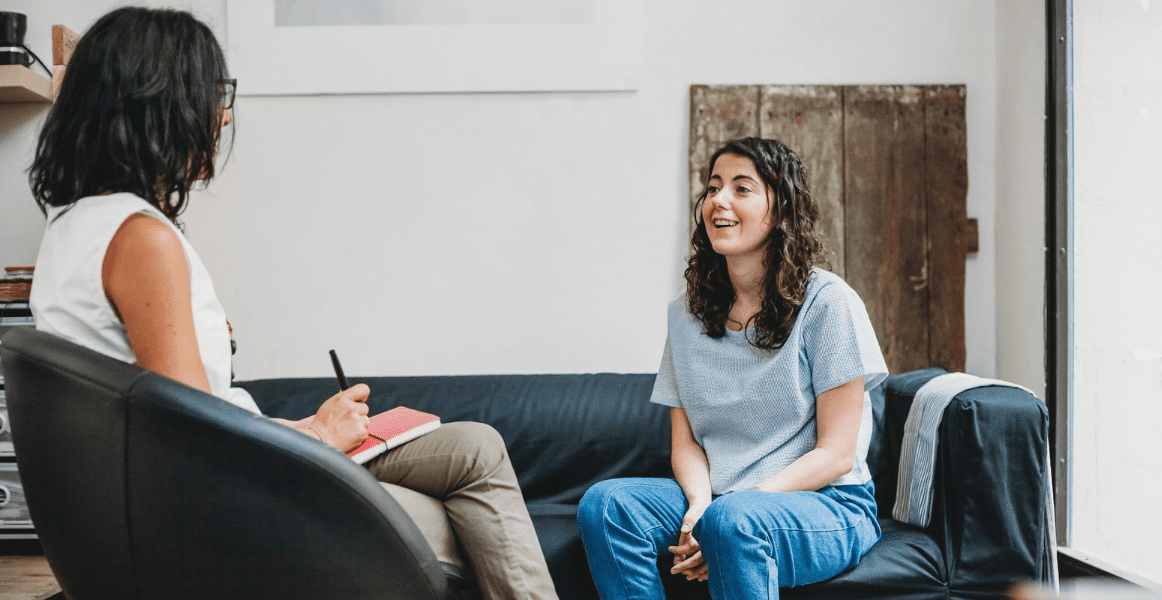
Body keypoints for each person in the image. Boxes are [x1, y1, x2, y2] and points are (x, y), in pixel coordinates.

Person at [26, 7, 557, 600]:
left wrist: (305, 425)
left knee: (475, 445)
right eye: (212, 94)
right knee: (457, 519)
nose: (222, 115)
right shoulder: (140, 238)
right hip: (224, 501)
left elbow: (186, 411)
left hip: (229, 473)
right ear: (160, 102)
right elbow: (190, 440)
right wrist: (323, 440)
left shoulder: (74, 226)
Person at [577, 137, 888, 600]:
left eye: (742, 188)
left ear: (780, 209)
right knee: (606, 505)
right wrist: (701, 506)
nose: (718, 200)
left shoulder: (828, 302)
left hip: (828, 504)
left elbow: (838, 453)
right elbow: (684, 442)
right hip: (724, 500)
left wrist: (735, 510)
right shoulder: (687, 314)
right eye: (714, 186)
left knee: (732, 522)